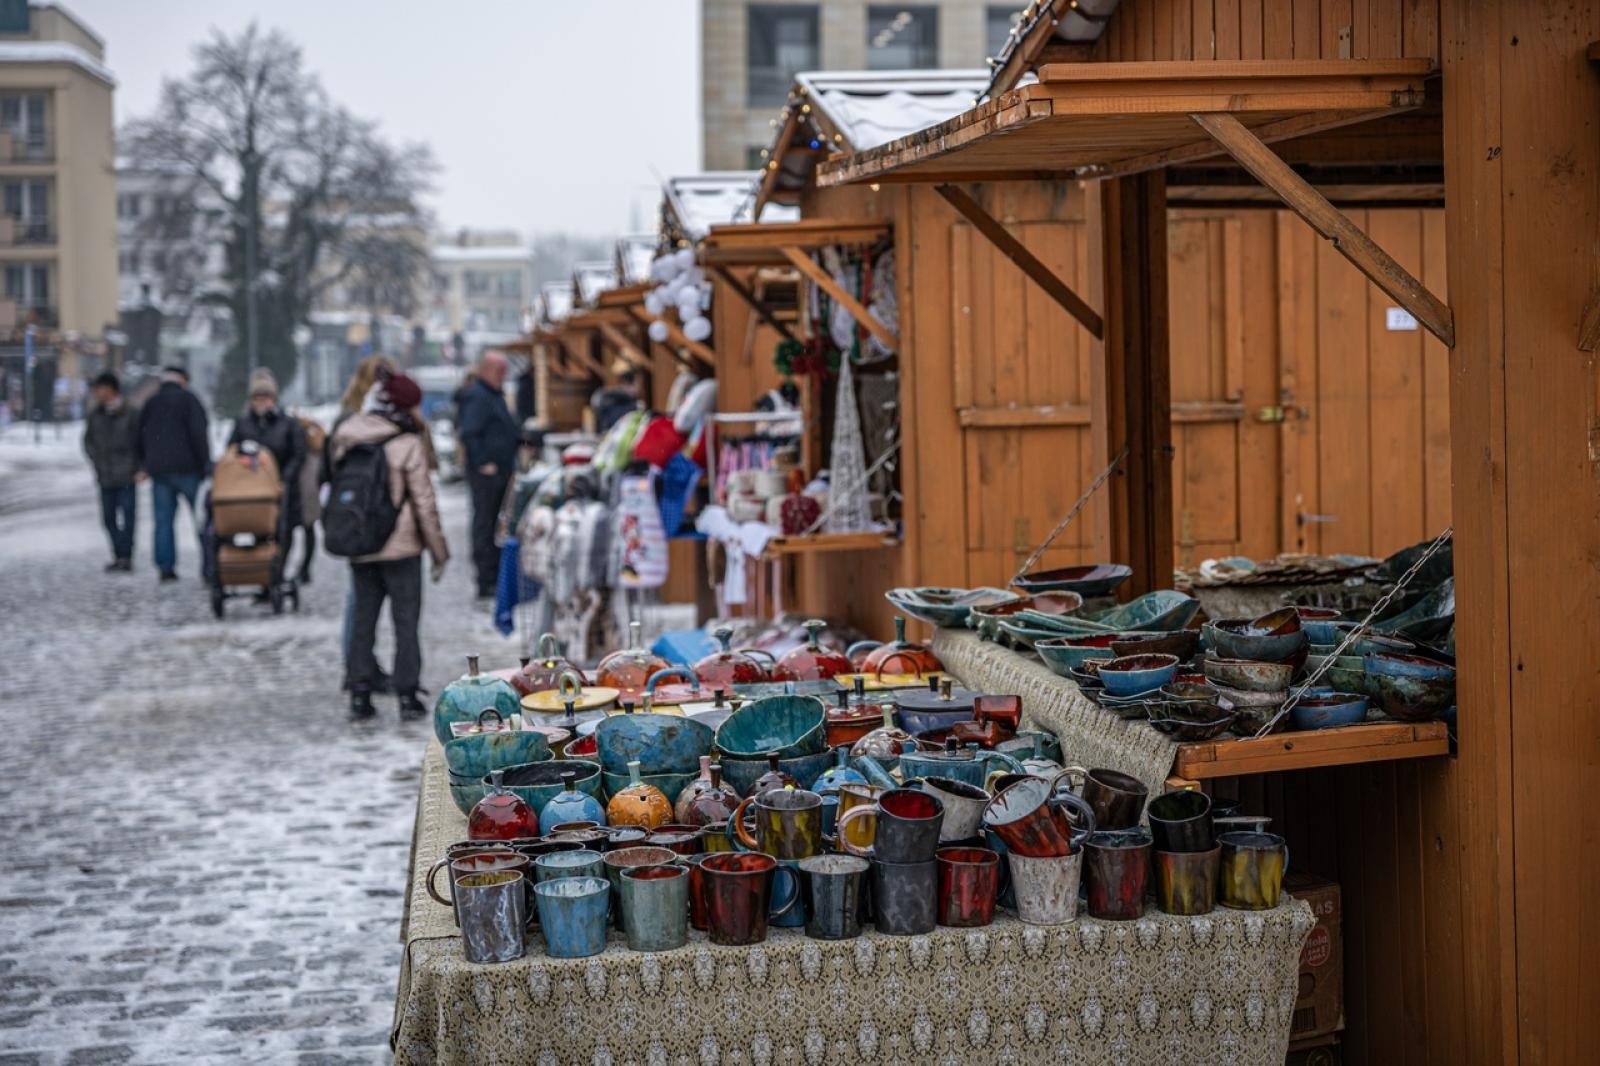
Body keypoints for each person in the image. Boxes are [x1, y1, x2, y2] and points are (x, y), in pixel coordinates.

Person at [328, 371, 449, 720]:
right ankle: (407, 695)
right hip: (402, 548)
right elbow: (424, 504)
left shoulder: (347, 436)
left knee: (363, 620)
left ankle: (360, 693)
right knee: (405, 622)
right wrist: (440, 552)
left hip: (361, 544)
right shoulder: (407, 444)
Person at [134, 365, 210, 582]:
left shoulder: (152, 403)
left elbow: (140, 434)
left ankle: (165, 568)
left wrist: (143, 464)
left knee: (163, 521)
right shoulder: (189, 400)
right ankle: (208, 565)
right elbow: (199, 434)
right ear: (183, 380)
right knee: (202, 519)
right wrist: (205, 463)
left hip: (160, 471)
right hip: (189, 470)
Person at [457, 351, 518, 599]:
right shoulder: (478, 397)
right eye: (498, 371)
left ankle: (492, 576)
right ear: (485, 370)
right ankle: (486, 578)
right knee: (486, 524)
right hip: (487, 474)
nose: (503, 377)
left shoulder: (492, 395)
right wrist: (484, 462)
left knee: (496, 524)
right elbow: (469, 433)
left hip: (500, 470)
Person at [227, 367, 307, 548]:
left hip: (281, 485)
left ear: (274, 399)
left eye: (266, 398)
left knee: (283, 528)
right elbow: (231, 452)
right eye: (257, 398)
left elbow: (298, 454)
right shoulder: (243, 424)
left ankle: (279, 567)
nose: (261, 402)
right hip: (251, 486)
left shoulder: (288, 424)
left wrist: (284, 478)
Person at [82, 370, 138, 572]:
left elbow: (140, 441)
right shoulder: (95, 414)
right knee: (108, 519)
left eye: (100, 388)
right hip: (105, 474)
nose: (97, 393)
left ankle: (126, 556)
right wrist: (96, 458)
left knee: (128, 517)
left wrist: (139, 467)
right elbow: (87, 441)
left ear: (111, 389)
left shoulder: (130, 413)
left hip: (127, 474)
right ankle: (118, 553)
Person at [294, 415, 325, 585]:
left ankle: (303, 570)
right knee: (308, 529)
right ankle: (305, 570)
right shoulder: (314, 446)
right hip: (309, 489)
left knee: (300, 530)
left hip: (304, 488)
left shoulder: (299, 436)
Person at [591, 369, 642, 433]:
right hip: (613, 429)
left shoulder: (607, 394)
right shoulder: (621, 397)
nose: (639, 387)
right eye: (637, 383)